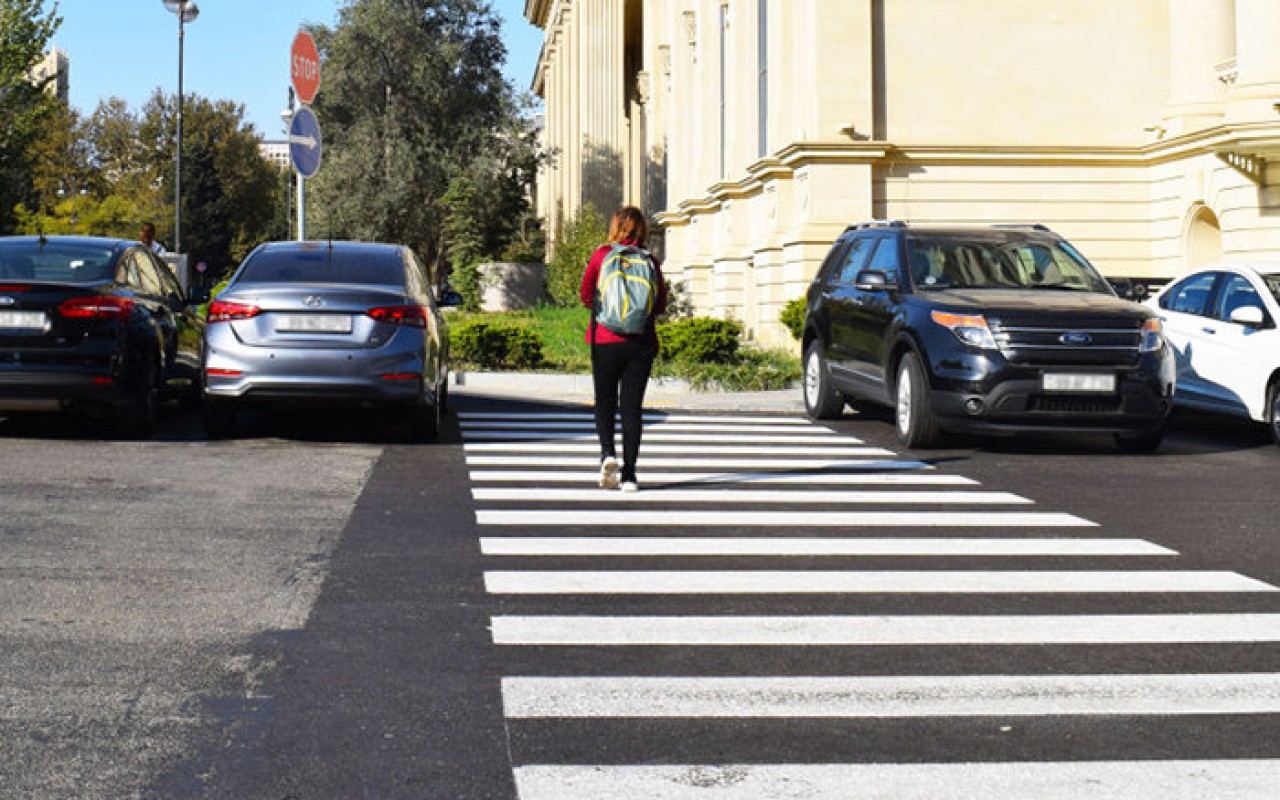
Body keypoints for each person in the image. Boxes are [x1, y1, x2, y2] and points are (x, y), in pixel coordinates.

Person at [580, 205, 668, 493]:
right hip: (641, 343)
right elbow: (660, 305)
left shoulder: (602, 256)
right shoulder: (650, 261)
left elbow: (585, 294)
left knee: (604, 401)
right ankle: (630, 475)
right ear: (642, 230)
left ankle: (608, 454)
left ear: (615, 227)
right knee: (632, 408)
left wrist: (608, 311)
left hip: (605, 340)